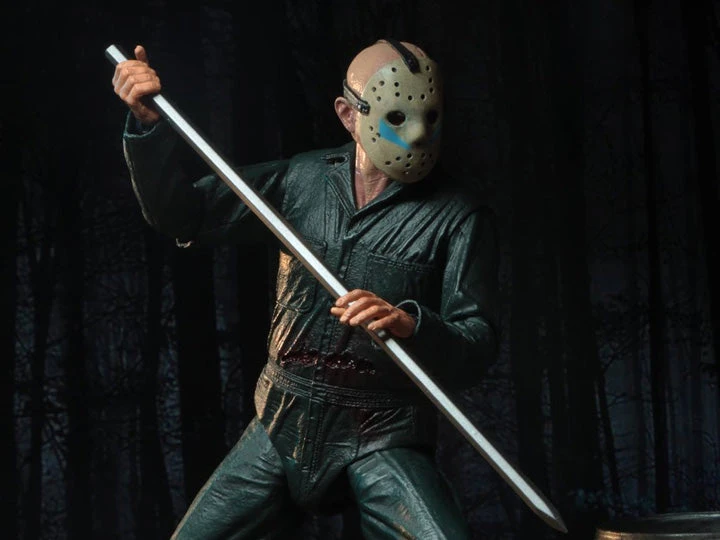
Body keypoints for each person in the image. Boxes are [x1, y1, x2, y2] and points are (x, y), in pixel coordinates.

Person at [113, 38, 499, 539]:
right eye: (397, 117)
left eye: (431, 116)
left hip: (381, 430)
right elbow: (182, 215)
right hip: (282, 419)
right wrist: (147, 126)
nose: (420, 134)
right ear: (348, 114)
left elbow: (477, 346)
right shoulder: (304, 180)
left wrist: (413, 325)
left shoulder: (459, 216)